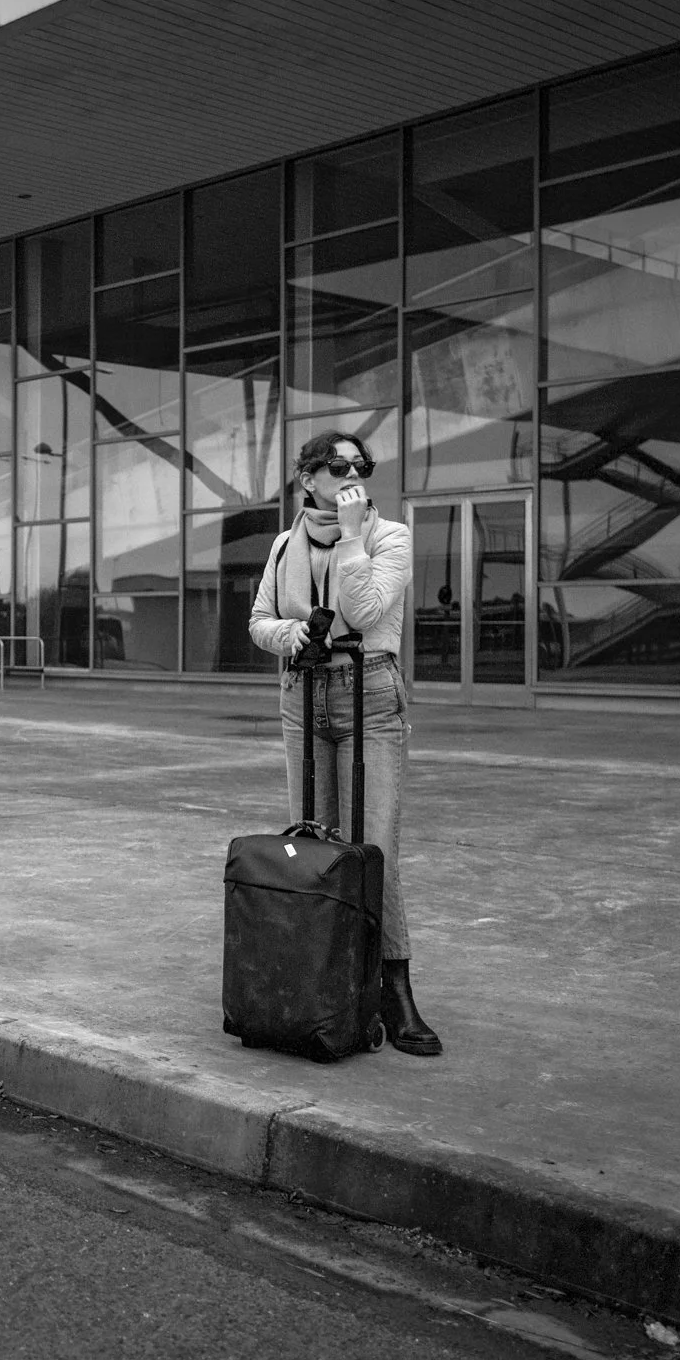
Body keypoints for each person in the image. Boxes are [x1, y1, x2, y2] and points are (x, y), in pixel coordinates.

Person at [248, 431, 440, 1056]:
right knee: (313, 841)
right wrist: (298, 632)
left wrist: (354, 535)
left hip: (371, 697)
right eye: (337, 466)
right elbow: (259, 623)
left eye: (363, 466)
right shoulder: (284, 544)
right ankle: (323, 982)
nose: (353, 474)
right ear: (307, 478)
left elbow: (361, 611)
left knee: (375, 844)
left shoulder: (391, 537)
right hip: (302, 697)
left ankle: (395, 990)